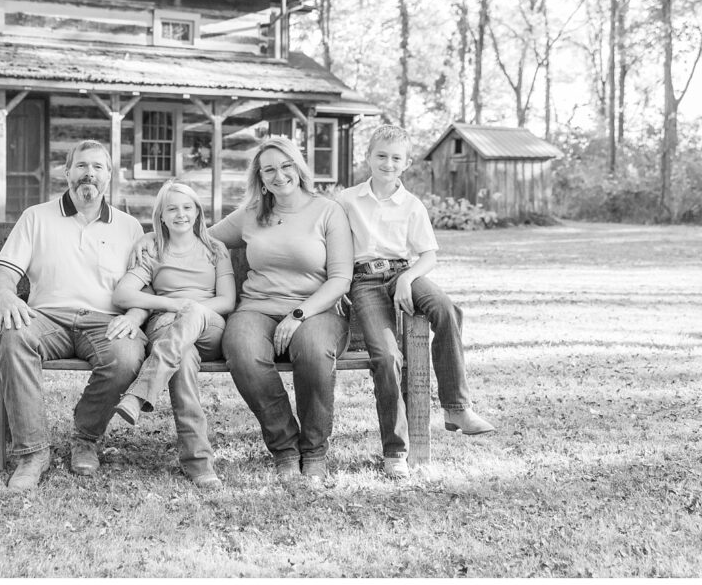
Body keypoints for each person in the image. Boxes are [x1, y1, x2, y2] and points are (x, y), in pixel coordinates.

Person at [0, 140, 148, 492]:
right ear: (67, 172)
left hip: (106, 320)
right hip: (48, 318)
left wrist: (136, 316)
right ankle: (32, 453)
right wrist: (5, 296)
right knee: (15, 337)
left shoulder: (129, 227)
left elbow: (145, 286)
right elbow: (2, 274)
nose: (89, 173)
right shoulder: (36, 217)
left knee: (127, 356)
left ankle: (86, 438)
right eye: (81, 166)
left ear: (109, 175)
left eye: (97, 167)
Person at [337, 126, 496, 480]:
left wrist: (407, 279)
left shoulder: (411, 205)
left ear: (407, 163)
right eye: (381, 155)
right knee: (387, 355)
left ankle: (456, 407)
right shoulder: (347, 200)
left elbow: (428, 255)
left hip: (402, 273)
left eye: (396, 158)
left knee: (446, 307)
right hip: (363, 280)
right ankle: (395, 451)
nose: (388, 163)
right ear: (367, 157)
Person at [212, 136, 353, 481]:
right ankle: (286, 448)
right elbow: (202, 236)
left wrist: (298, 315)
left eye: (286, 165)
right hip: (257, 309)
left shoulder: (327, 210)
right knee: (242, 348)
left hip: (317, 312)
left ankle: (315, 452)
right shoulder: (251, 214)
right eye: (269, 170)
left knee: (313, 349)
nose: (279, 175)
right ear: (260, 178)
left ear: (298, 167)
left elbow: (340, 279)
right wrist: (150, 238)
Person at [110, 180, 236, 489]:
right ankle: (199, 463)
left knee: (191, 317)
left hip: (210, 327)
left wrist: (191, 309)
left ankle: (141, 393)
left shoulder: (214, 249)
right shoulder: (153, 248)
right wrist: (173, 304)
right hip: (167, 327)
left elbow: (227, 301)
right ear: (161, 216)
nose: (181, 214)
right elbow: (123, 294)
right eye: (172, 209)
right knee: (182, 357)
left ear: (197, 212)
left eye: (187, 207)